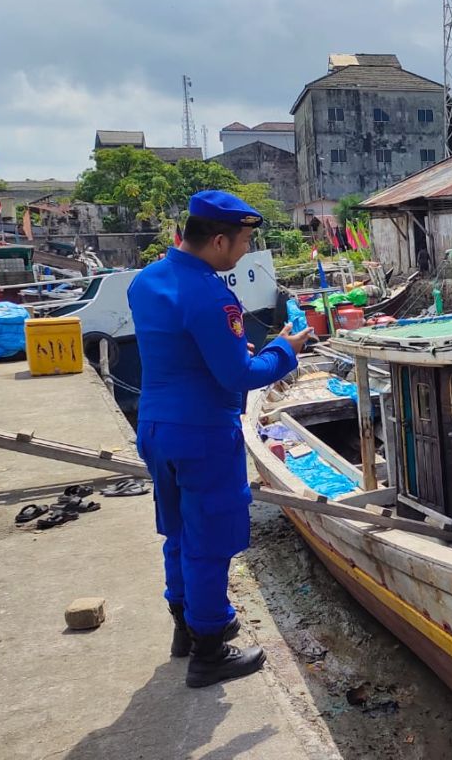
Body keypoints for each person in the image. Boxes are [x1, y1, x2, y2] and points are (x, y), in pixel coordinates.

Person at [128, 190, 312, 688]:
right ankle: (211, 648)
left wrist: (229, 349)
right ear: (217, 240)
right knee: (210, 541)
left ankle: (183, 628)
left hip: (156, 427)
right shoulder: (212, 295)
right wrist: (284, 349)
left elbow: (184, 350)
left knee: (179, 531)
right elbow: (239, 377)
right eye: (244, 241)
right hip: (203, 433)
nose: (245, 251)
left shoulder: (145, 282)